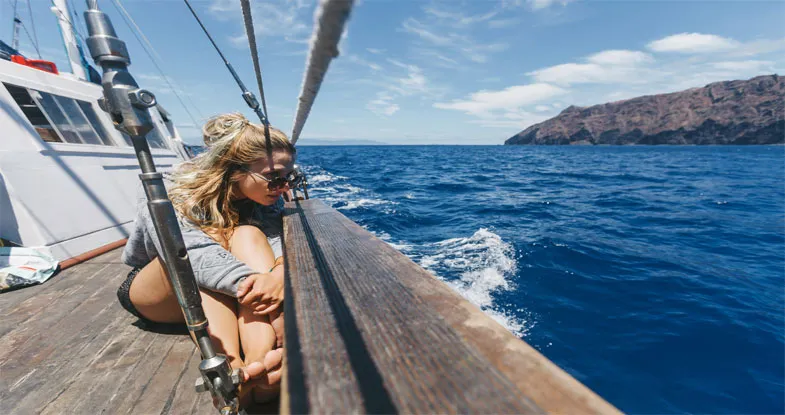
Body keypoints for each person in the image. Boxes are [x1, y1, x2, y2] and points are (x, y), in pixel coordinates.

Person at [116, 113, 296, 407]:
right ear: (234, 170)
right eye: (275, 178)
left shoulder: (263, 202)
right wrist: (274, 303)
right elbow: (189, 252)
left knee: (248, 233)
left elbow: (276, 246)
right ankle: (231, 362)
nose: (284, 187)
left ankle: (256, 367)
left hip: (224, 292)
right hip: (162, 287)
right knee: (210, 241)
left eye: (289, 177)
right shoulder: (167, 187)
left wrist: (279, 274)